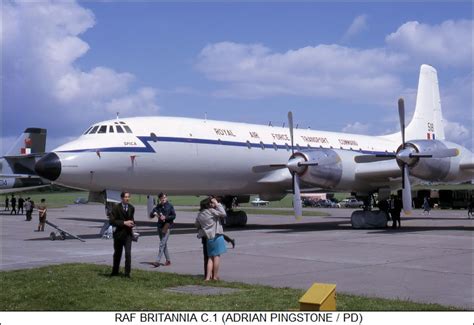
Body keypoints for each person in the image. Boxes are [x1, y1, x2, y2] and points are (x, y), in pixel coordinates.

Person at [195, 197, 228, 281]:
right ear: (208, 204)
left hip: (208, 237)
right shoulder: (211, 211)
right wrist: (217, 203)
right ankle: (215, 276)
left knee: (210, 258)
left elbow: (197, 225)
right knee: (216, 256)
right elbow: (223, 213)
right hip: (217, 236)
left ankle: (207, 277)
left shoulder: (200, 214)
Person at [109, 191, 135, 277]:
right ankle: (115, 272)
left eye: (128, 197)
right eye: (126, 197)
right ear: (122, 198)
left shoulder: (132, 208)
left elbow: (132, 219)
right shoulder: (116, 208)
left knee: (128, 254)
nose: (127, 199)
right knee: (117, 254)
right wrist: (124, 222)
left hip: (128, 235)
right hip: (118, 235)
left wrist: (132, 223)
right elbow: (112, 221)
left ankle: (127, 273)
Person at [150, 193, 176, 267]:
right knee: (163, 245)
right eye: (162, 198)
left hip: (167, 227)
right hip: (159, 227)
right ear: (160, 199)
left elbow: (174, 216)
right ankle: (168, 260)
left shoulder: (170, 206)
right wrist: (153, 214)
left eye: (165, 197)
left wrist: (166, 217)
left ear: (166, 198)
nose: (163, 199)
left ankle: (157, 261)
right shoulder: (158, 206)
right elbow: (151, 214)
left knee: (162, 244)